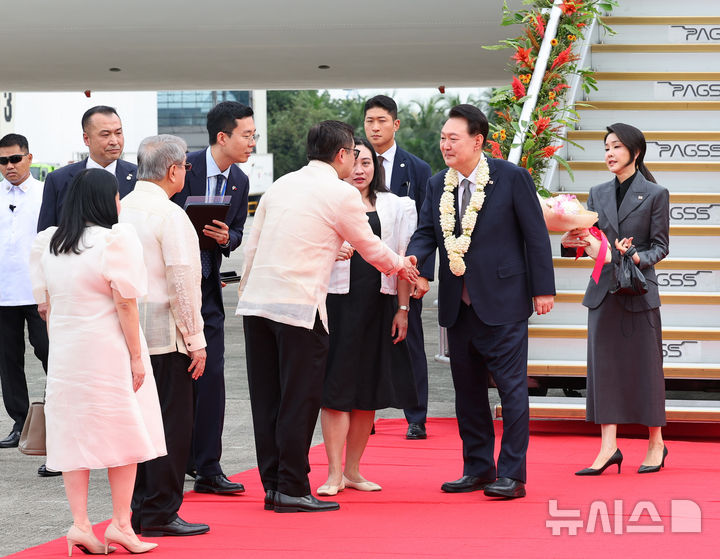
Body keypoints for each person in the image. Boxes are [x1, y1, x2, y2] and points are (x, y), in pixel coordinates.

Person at [236, 120, 419, 513]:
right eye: (353, 153)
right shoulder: (340, 193)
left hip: (257, 306)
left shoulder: (281, 184)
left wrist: (246, 292)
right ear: (341, 155)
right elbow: (370, 246)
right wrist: (402, 264)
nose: (355, 161)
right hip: (300, 307)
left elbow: (253, 247)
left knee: (268, 400)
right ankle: (292, 488)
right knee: (300, 400)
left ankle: (274, 486)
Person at [406, 104, 555, 499]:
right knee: (467, 392)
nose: (445, 145)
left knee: (511, 390)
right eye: (442, 138)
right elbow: (426, 233)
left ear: (478, 140)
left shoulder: (511, 178)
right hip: (459, 306)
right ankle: (477, 467)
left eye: (453, 138)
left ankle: (512, 474)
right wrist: (416, 265)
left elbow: (536, 237)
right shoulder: (438, 184)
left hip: (504, 302)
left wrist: (544, 289)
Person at [29, 168, 164, 555]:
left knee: (73, 435)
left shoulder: (50, 244)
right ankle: (121, 524)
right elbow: (125, 302)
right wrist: (138, 357)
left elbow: (46, 307)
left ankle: (80, 524)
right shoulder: (114, 241)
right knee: (124, 432)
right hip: (108, 350)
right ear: (107, 201)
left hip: (68, 355)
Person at [562, 123, 670, 476]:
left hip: (639, 290)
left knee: (646, 368)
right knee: (604, 369)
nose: (609, 153)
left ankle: (656, 442)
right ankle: (609, 447)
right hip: (604, 291)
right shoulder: (596, 192)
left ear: (635, 152)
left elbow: (660, 247)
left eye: (617, 147)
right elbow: (591, 242)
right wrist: (572, 241)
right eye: (606, 147)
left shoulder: (655, 193)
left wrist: (634, 256)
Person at [120, 135, 211, 537]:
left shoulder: (120, 209)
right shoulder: (171, 215)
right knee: (172, 426)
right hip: (166, 336)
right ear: (175, 170)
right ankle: (160, 511)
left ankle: (138, 509)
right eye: (185, 168)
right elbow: (183, 280)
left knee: (137, 427)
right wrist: (196, 338)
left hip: (129, 335)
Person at [318, 137, 418, 496]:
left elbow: (404, 259)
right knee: (336, 389)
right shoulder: (328, 202)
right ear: (341, 162)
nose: (359, 170)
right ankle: (332, 473)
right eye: (354, 162)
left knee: (368, 391)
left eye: (367, 164)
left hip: (379, 306)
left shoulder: (396, 206)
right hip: (336, 306)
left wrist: (403, 309)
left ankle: (353, 471)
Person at [172, 101, 251, 495]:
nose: (253, 142)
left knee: (213, 377)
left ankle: (209, 467)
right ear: (223, 137)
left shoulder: (240, 181)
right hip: (172, 290)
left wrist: (227, 239)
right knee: (175, 378)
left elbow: (237, 231)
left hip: (208, 290)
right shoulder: (182, 169)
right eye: (247, 135)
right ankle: (175, 459)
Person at [364, 95, 433, 440]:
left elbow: (428, 225)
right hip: (363, 272)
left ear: (396, 124)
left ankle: (416, 415)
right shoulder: (353, 163)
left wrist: (423, 274)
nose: (375, 128)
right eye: (369, 122)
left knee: (410, 341)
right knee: (366, 345)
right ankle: (365, 412)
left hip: (406, 267)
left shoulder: (417, 168)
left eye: (381, 121)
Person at [0, 134, 49, 450]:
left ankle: (53, 418)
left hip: (38, 290)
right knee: (8, 361)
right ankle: (20, 422)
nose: (9, 166)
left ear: (29, 158)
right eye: (2, 161)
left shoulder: (46, 194)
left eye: (14, 159)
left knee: (49, 354)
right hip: (3, 293)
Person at [37, 105, 137, 232]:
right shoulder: (58, 180)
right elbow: (45, 234)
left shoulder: (139, 177)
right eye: (105, 135)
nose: (114, 141)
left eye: (118, 133)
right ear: (86, 139)